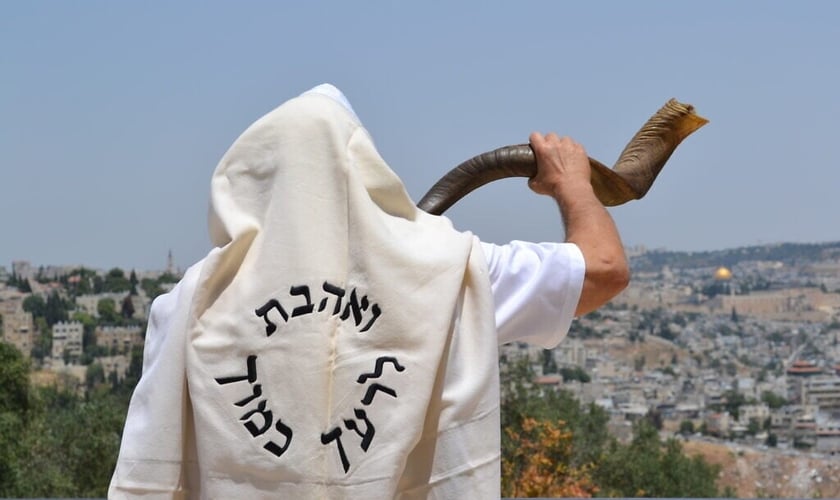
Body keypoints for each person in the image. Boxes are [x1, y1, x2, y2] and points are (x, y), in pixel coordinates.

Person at [108, 84, 628, 499]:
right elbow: (603, 269)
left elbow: (149, 476)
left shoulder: (187, 304)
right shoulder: (449, 273)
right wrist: (572, 184)